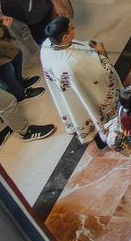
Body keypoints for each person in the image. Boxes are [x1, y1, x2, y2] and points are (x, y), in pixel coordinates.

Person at [38, 16, 122, 147]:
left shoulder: (46, 45)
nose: (74, 28)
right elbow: (103, 73)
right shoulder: (74, 61)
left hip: (70, 92)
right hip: (84, 87)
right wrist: (101, 53)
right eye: (71, 28)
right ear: (65, 37)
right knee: (91, 103)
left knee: (80, 107)